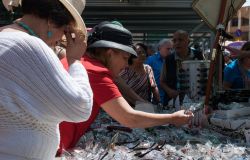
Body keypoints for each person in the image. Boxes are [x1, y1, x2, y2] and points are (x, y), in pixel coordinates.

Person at [59, 21, 193, 154]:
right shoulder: (96, 72)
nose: (126, 65)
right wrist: (172, 118)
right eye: (125, 58)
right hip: (55, 147)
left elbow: (123, 89)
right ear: (110, 53)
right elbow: (129, 118)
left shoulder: (77, 61)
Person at [0, 0, 93, 159]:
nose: (61, 39)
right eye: (65, 31)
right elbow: (80, 106)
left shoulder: (6, 37)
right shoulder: (29, 46)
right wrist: (74, 60)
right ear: (51, 21)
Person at [160, 30, 204, 104]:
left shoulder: (199, 56)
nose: (177, 43)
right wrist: (170, 91)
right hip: (173, 102)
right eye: (174, 41)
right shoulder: (168, 59)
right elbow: (162, 81)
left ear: (188, 41)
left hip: (196, 102)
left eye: (180, 40)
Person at [145, 39, 173, 106]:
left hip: (170, 98)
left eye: (172, 49)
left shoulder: (173, 61)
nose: (170, 51)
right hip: (155, 99)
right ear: (160, 48)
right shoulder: (150, 60)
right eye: (168, 49)